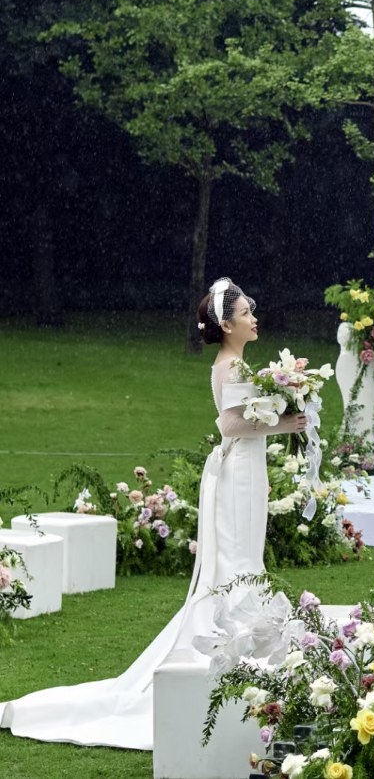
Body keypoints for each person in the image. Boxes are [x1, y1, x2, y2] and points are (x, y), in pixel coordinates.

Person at [0, 277, 307, 750]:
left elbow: (246, 419)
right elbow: (230, 424)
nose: (254, 317)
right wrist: (285, 422)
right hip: (238, 472)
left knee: (246, 555)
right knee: (236, 558)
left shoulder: (239, 363)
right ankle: (233, 646)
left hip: (248, 470)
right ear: (227, 325)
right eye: (246, 313)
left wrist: (280, 409)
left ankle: (252, 639)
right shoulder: (229, 365)